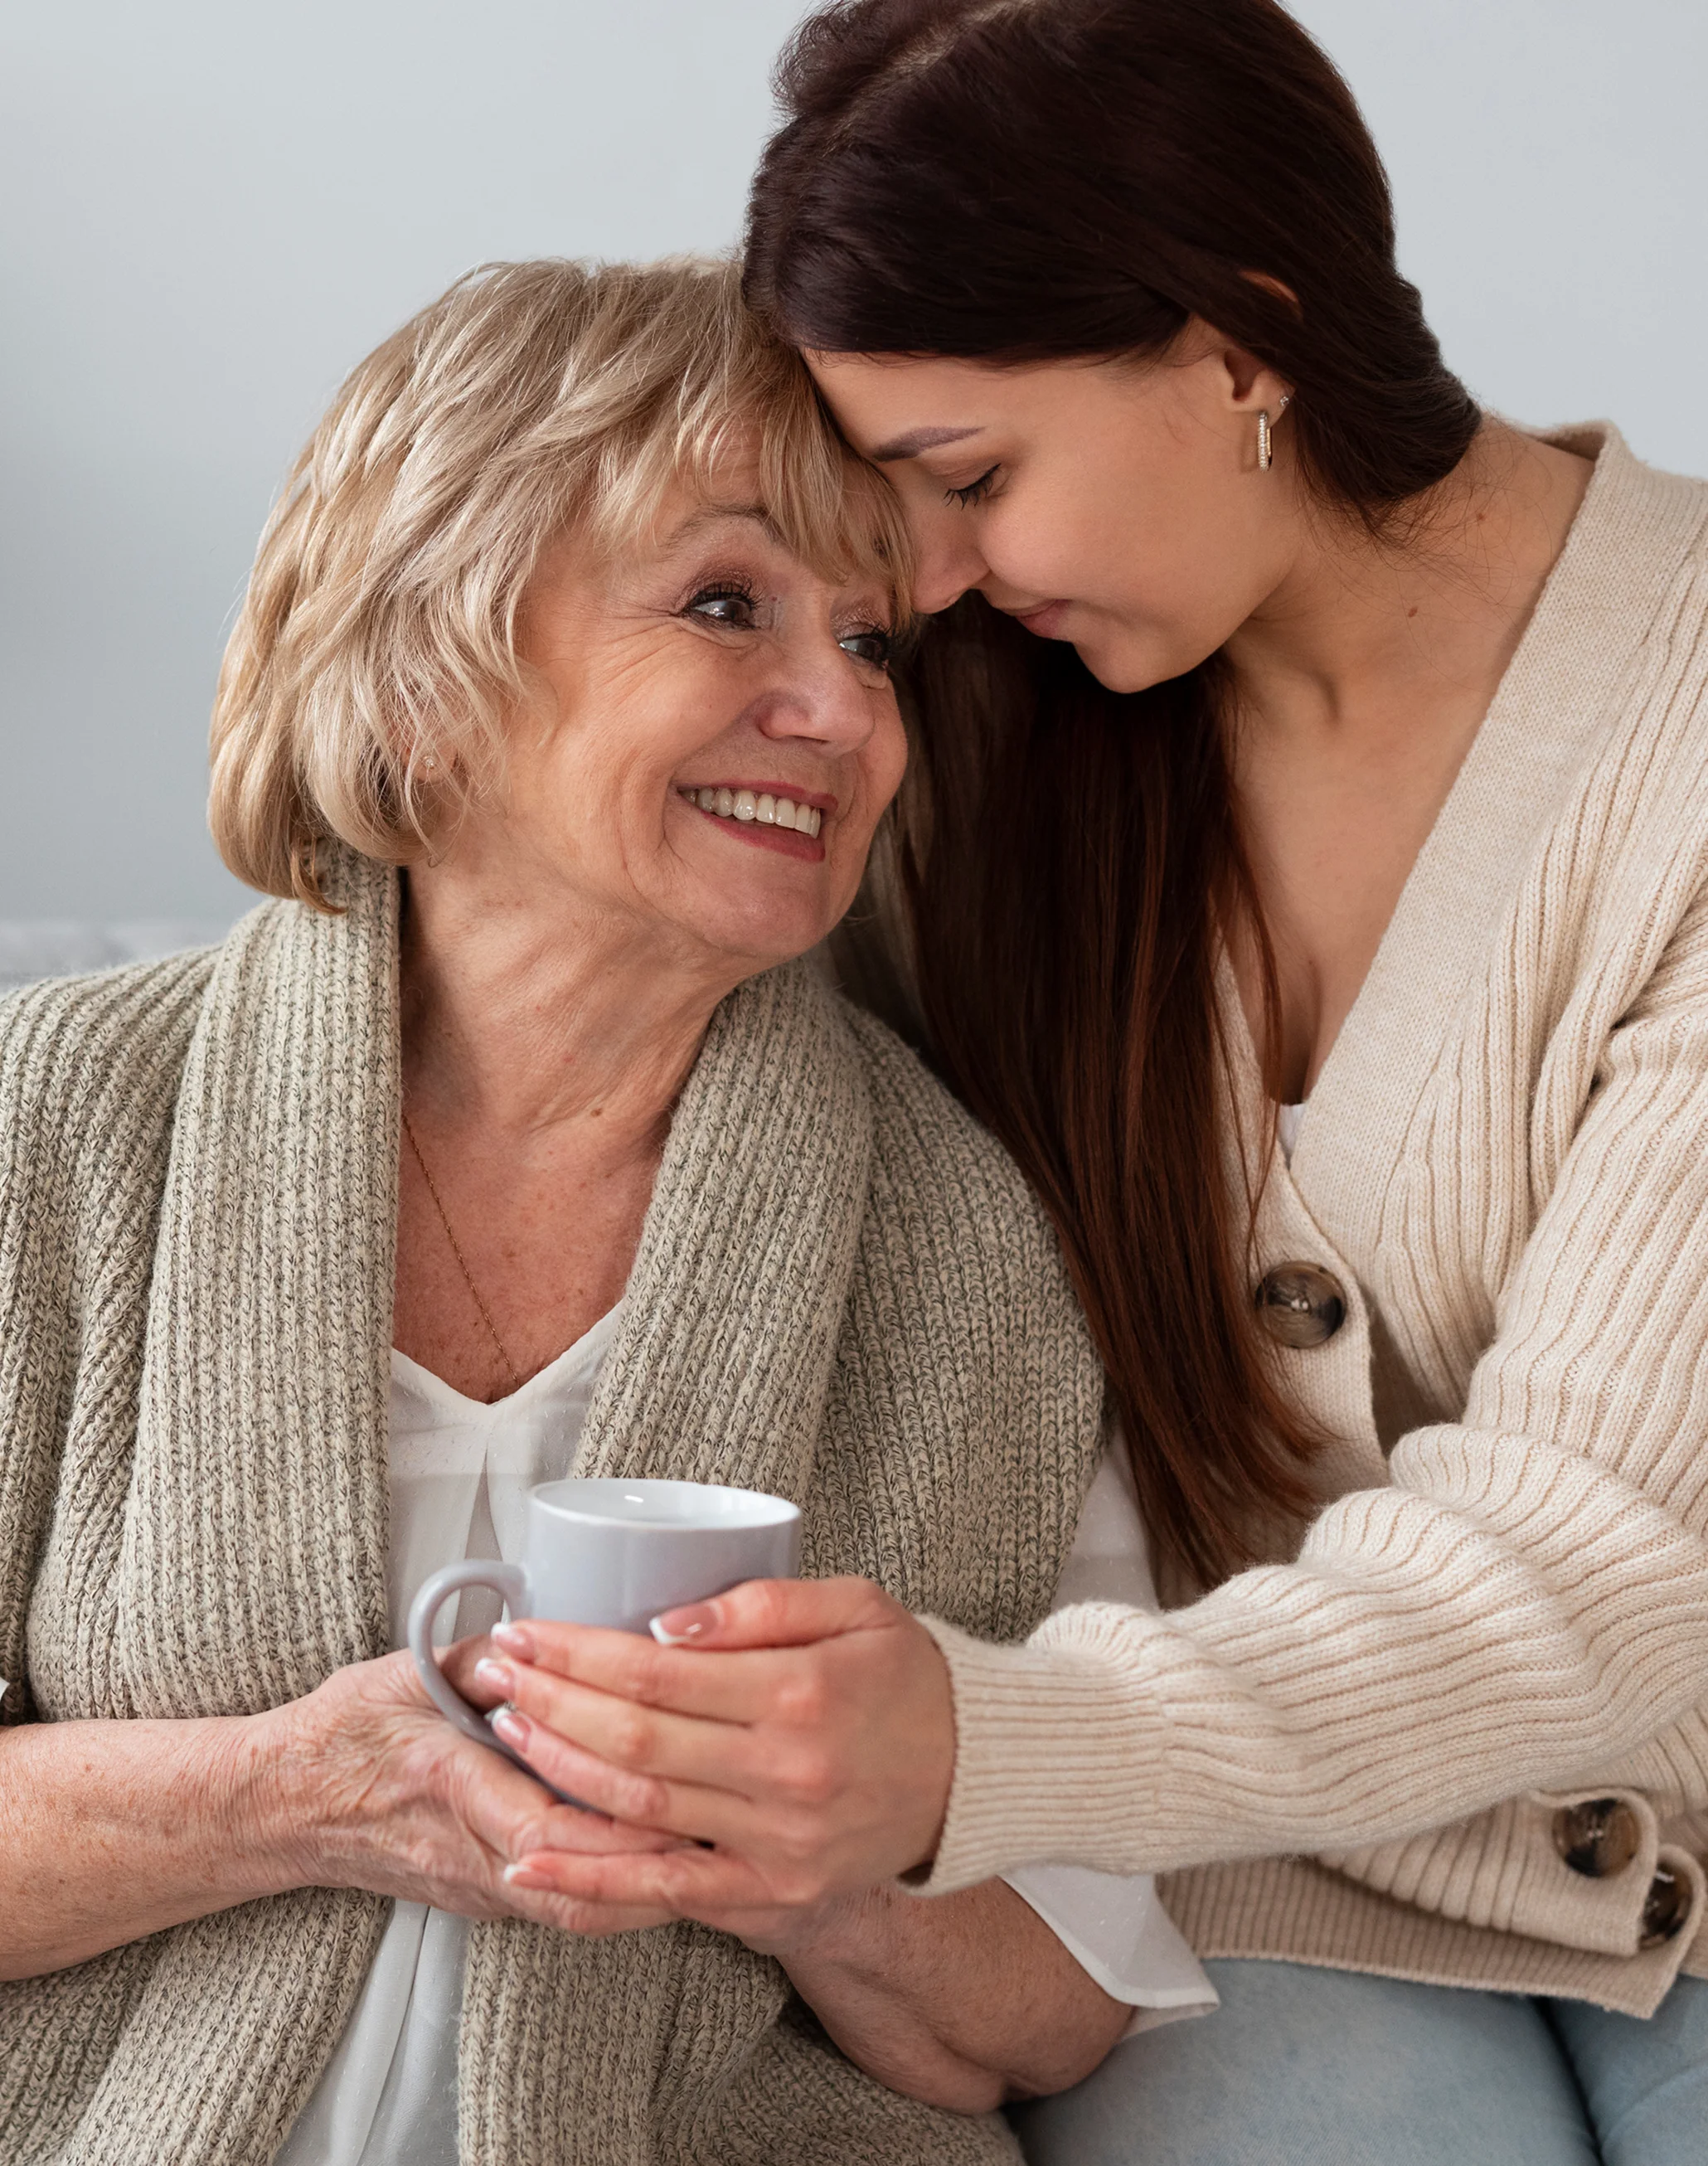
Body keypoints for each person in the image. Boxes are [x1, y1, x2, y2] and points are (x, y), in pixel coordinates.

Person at [480, 6, 1708, 2161]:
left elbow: (1606, 1553)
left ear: (1239, 345)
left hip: (1289, 1775)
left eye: (967, 479)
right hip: (1207, 1864)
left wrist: (979, 1737)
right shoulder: (974, 722)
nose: (929, 578)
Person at [0, 255, 1220, 2166]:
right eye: (727, 603)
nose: (839, 712)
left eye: (876, 641)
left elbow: (1055, 2007)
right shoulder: (60, 1119)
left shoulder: (972, 1248)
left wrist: (804, 1863)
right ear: (430, 673)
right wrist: (285, 1793)